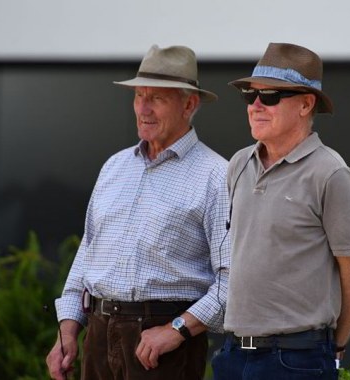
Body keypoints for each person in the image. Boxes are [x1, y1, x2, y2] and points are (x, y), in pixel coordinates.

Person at [46, 44, 230, 380]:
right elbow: (88, 255)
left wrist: (177, 330)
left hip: (164, 348)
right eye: (138, 96)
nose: (142, 109)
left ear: (189, 104)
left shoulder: (217, 176)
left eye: (156, 98)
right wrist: (69, 330)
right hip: (98, 339)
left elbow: (232, 281)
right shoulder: (114, 167)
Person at [212, 42, 350, 380]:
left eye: (269, 96)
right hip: (233, 354)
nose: (255, 105)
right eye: (249, 95)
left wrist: (334, 345)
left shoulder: (332, 175)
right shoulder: (239, 164)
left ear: (305, 104)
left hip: (297, 359)